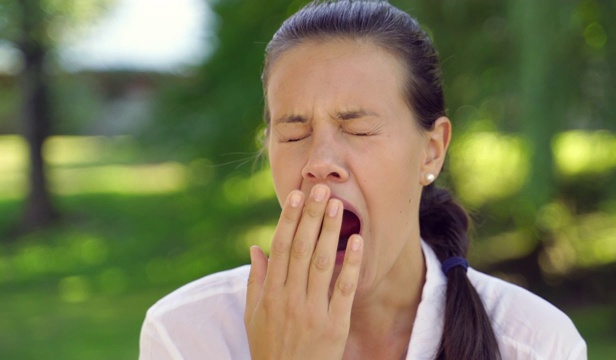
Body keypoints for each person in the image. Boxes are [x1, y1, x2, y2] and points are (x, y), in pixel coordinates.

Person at [139, 1, 587, 359]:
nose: (320, 161)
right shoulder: (188, 335)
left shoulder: (535, 344)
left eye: (358, 129)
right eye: (294, 132)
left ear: (431, 150)